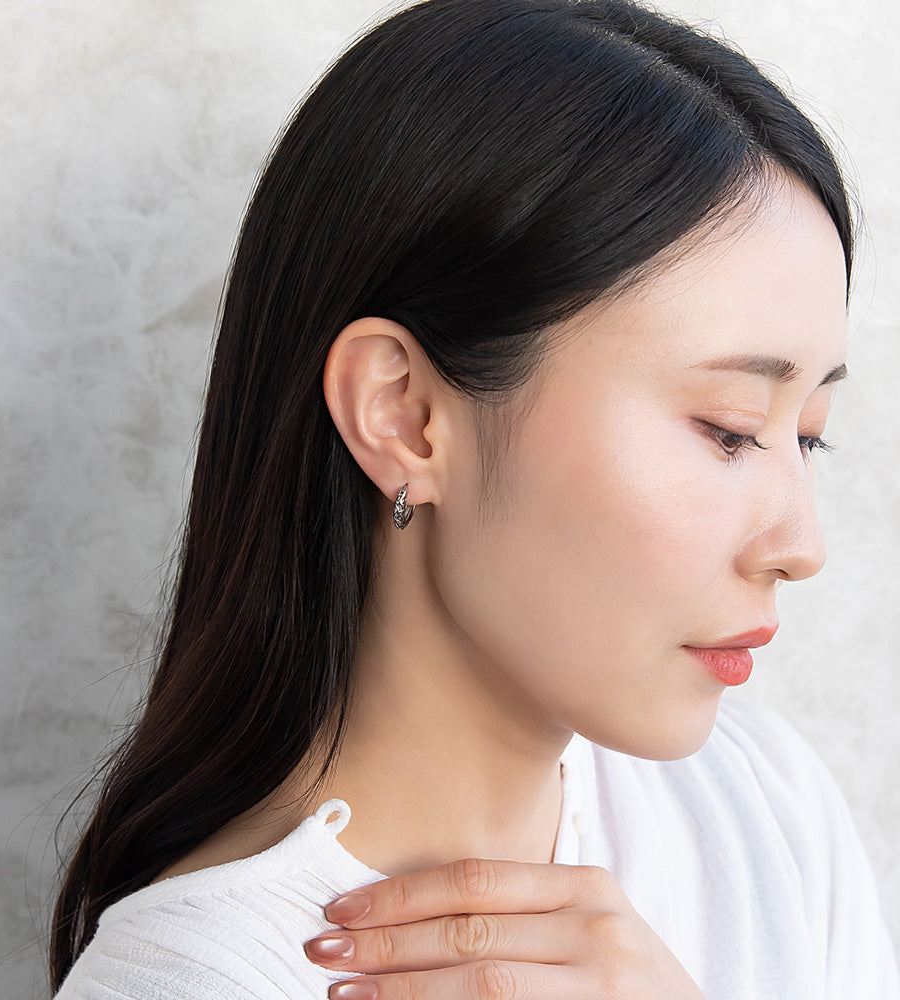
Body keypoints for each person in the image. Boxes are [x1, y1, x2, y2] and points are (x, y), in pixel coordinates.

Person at [48, 0, 900, 997]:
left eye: (808, 435)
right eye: (729, 428)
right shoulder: (203, 979)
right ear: (404, 415)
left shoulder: (761, 803)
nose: (800, 544)